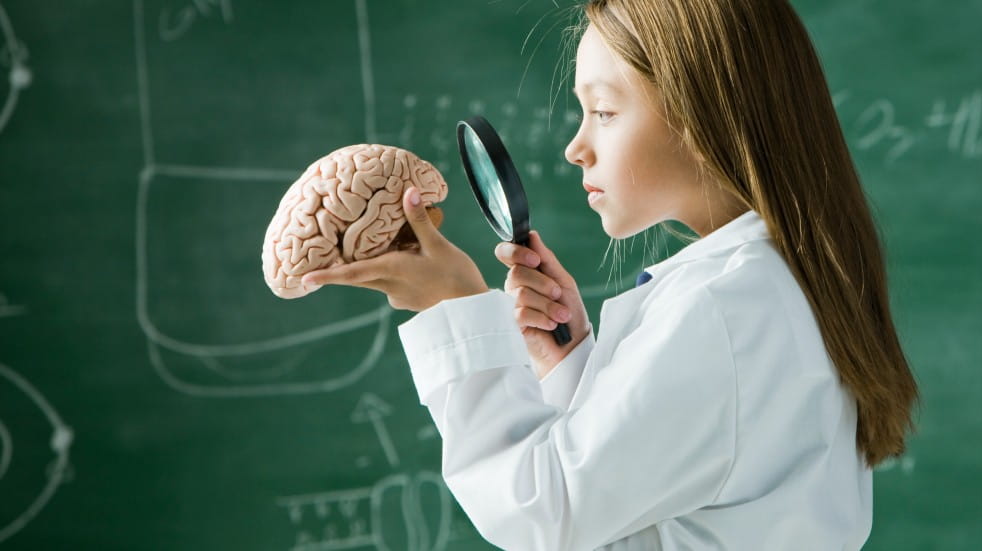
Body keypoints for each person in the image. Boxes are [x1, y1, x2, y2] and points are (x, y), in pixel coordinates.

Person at [302, 0, 920, 548]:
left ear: (702, 118)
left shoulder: (723, 307)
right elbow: (660, 507)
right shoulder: (771, 285)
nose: (577, 146)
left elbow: (546, 514)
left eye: (604, 111)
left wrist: (450, 304)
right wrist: (571, 364)